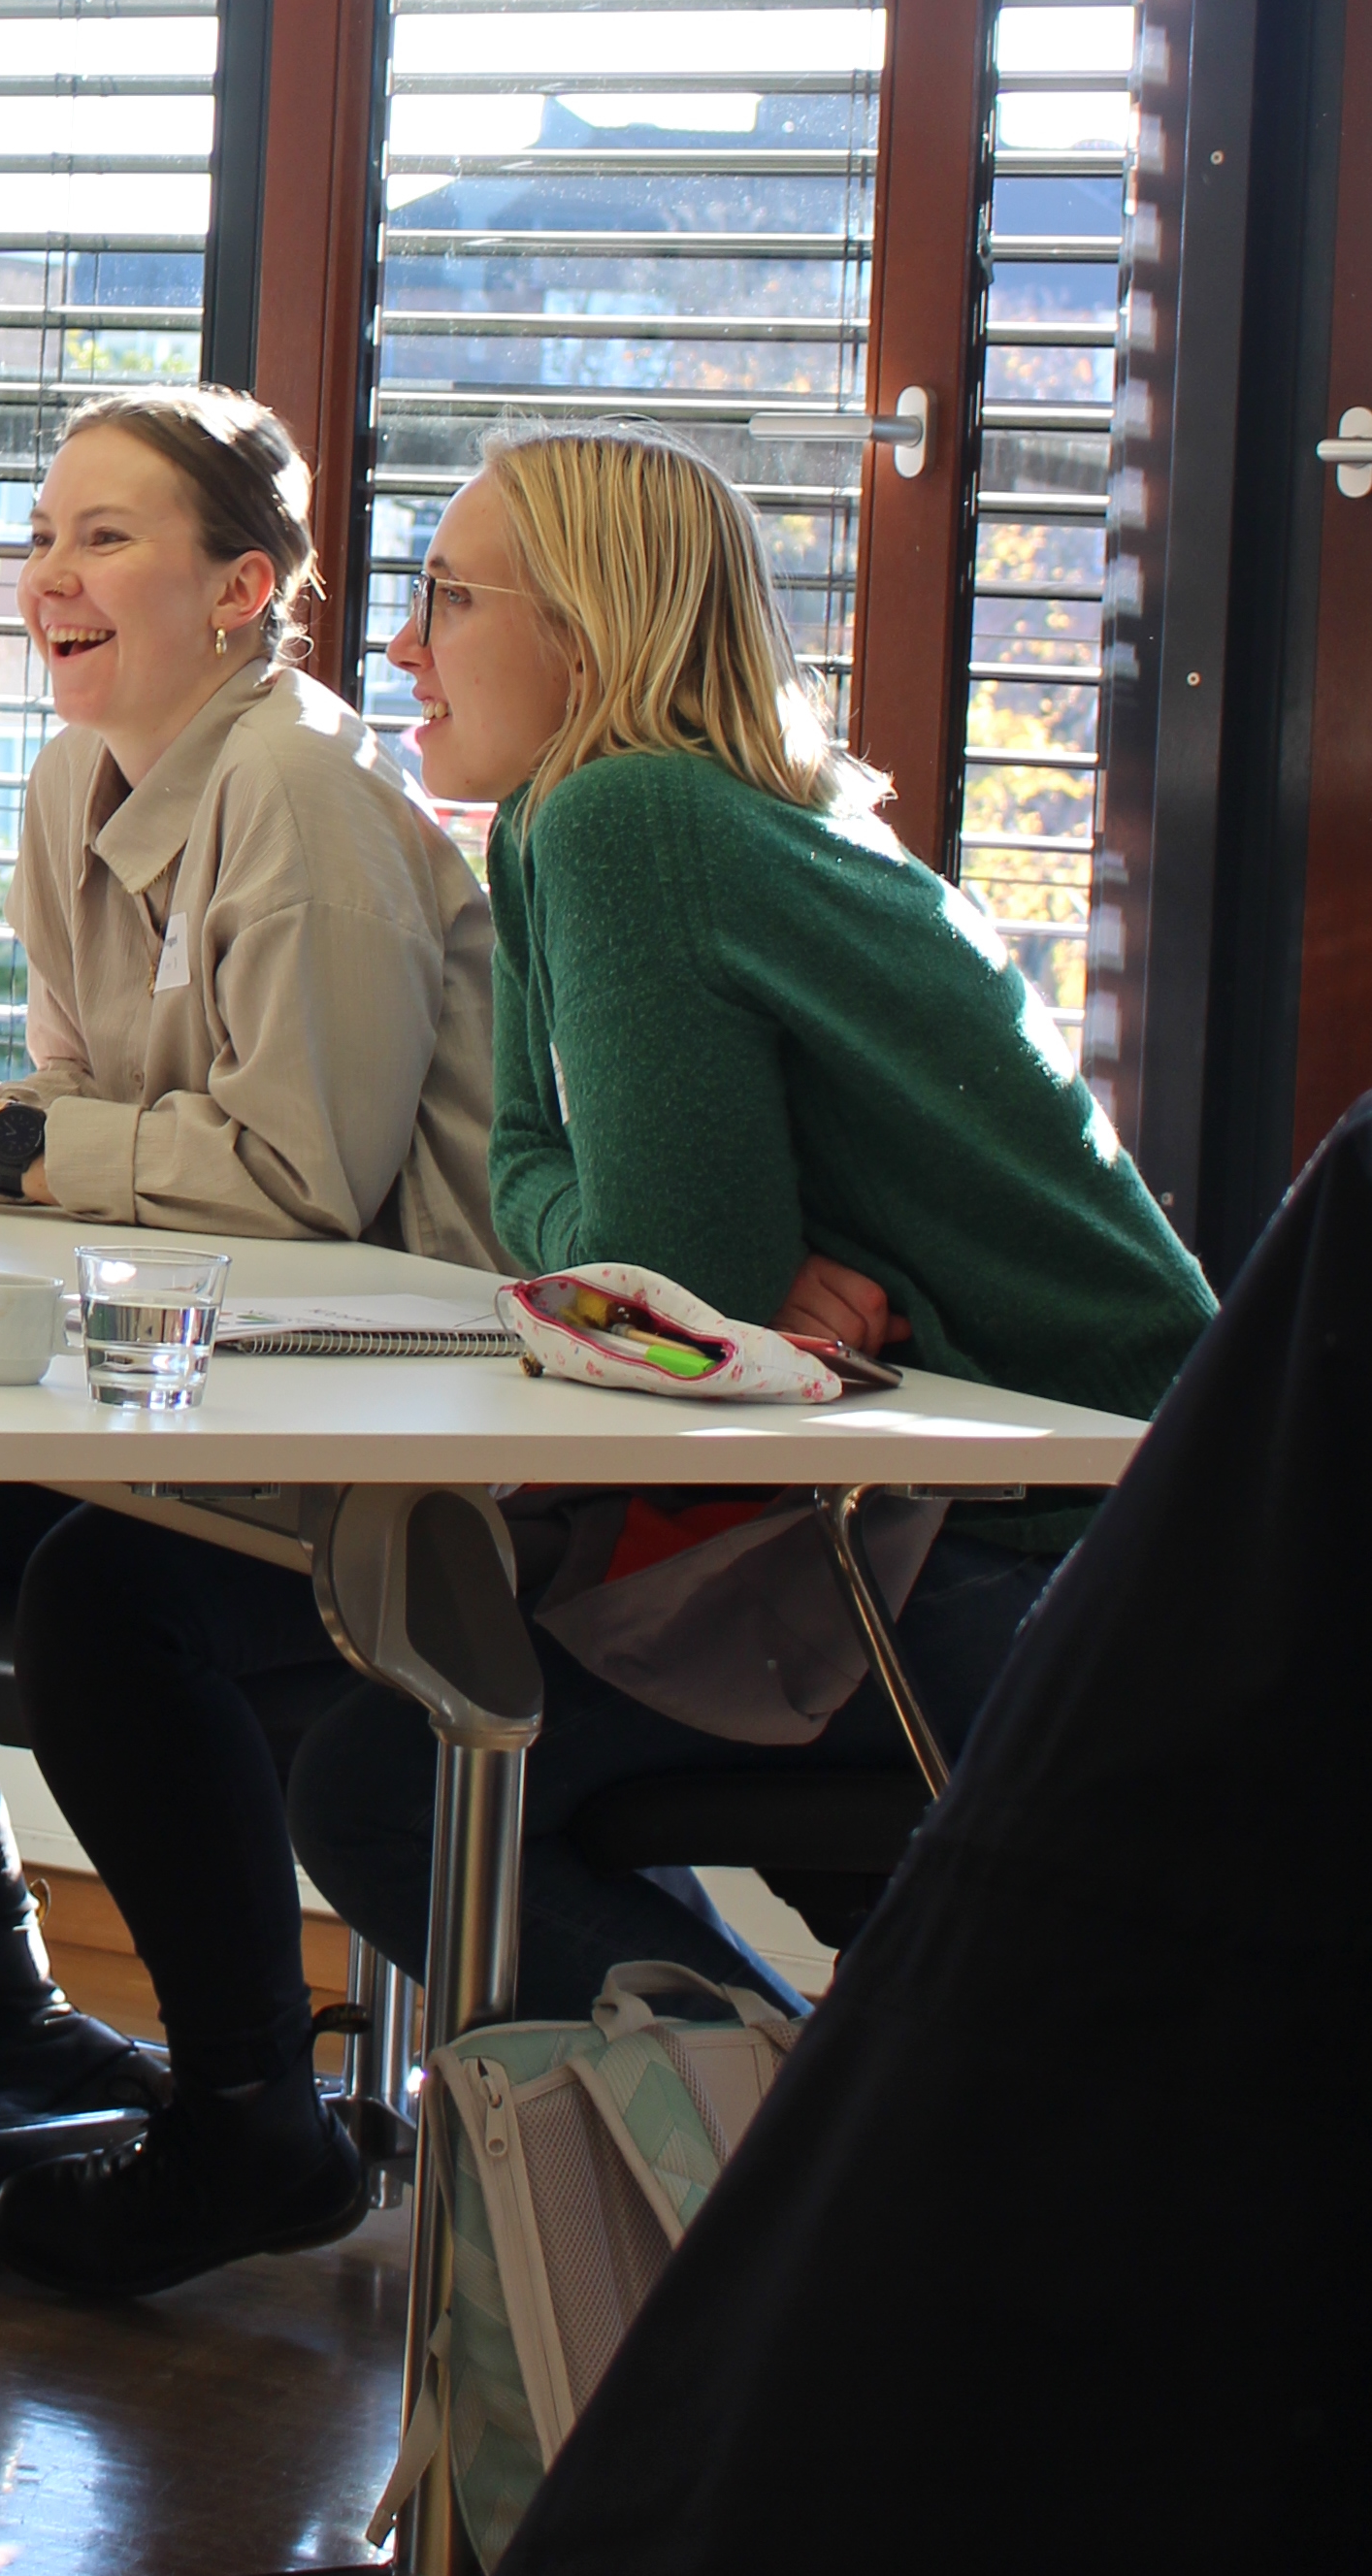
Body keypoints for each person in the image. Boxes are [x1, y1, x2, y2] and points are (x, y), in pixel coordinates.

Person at [422, 1110, 1365, 2576]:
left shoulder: (619, 831)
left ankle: (715, 2118)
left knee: (376, 1760)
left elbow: (633, 1245)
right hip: (1006, 1541)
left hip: (951, 1556)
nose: (414, 755)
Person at [0, 388, 502, 2298]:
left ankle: (252, 2123)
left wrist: (2, 1136)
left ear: (243, 590)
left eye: (107, 537)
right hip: (186, 1377)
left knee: (99, 1603)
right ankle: (6, 2019)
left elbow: (305, 1180)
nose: (48, 575)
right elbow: (82, 1123)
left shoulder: (302, 795)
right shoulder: (78, 783)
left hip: (381, 1414)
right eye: (45, 532)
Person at [284, 422, 1216, 2027]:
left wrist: (692, 1259)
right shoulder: (627, 817)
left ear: (582, 628)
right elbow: (559, 1206)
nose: (399, 640)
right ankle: (813, 2165)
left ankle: (785, 2189)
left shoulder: (625, 821)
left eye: (446, 595)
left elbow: (652, 1281)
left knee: (391, 1783)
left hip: (1032, 1549)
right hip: (1069, 1524)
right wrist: (709, 1257)